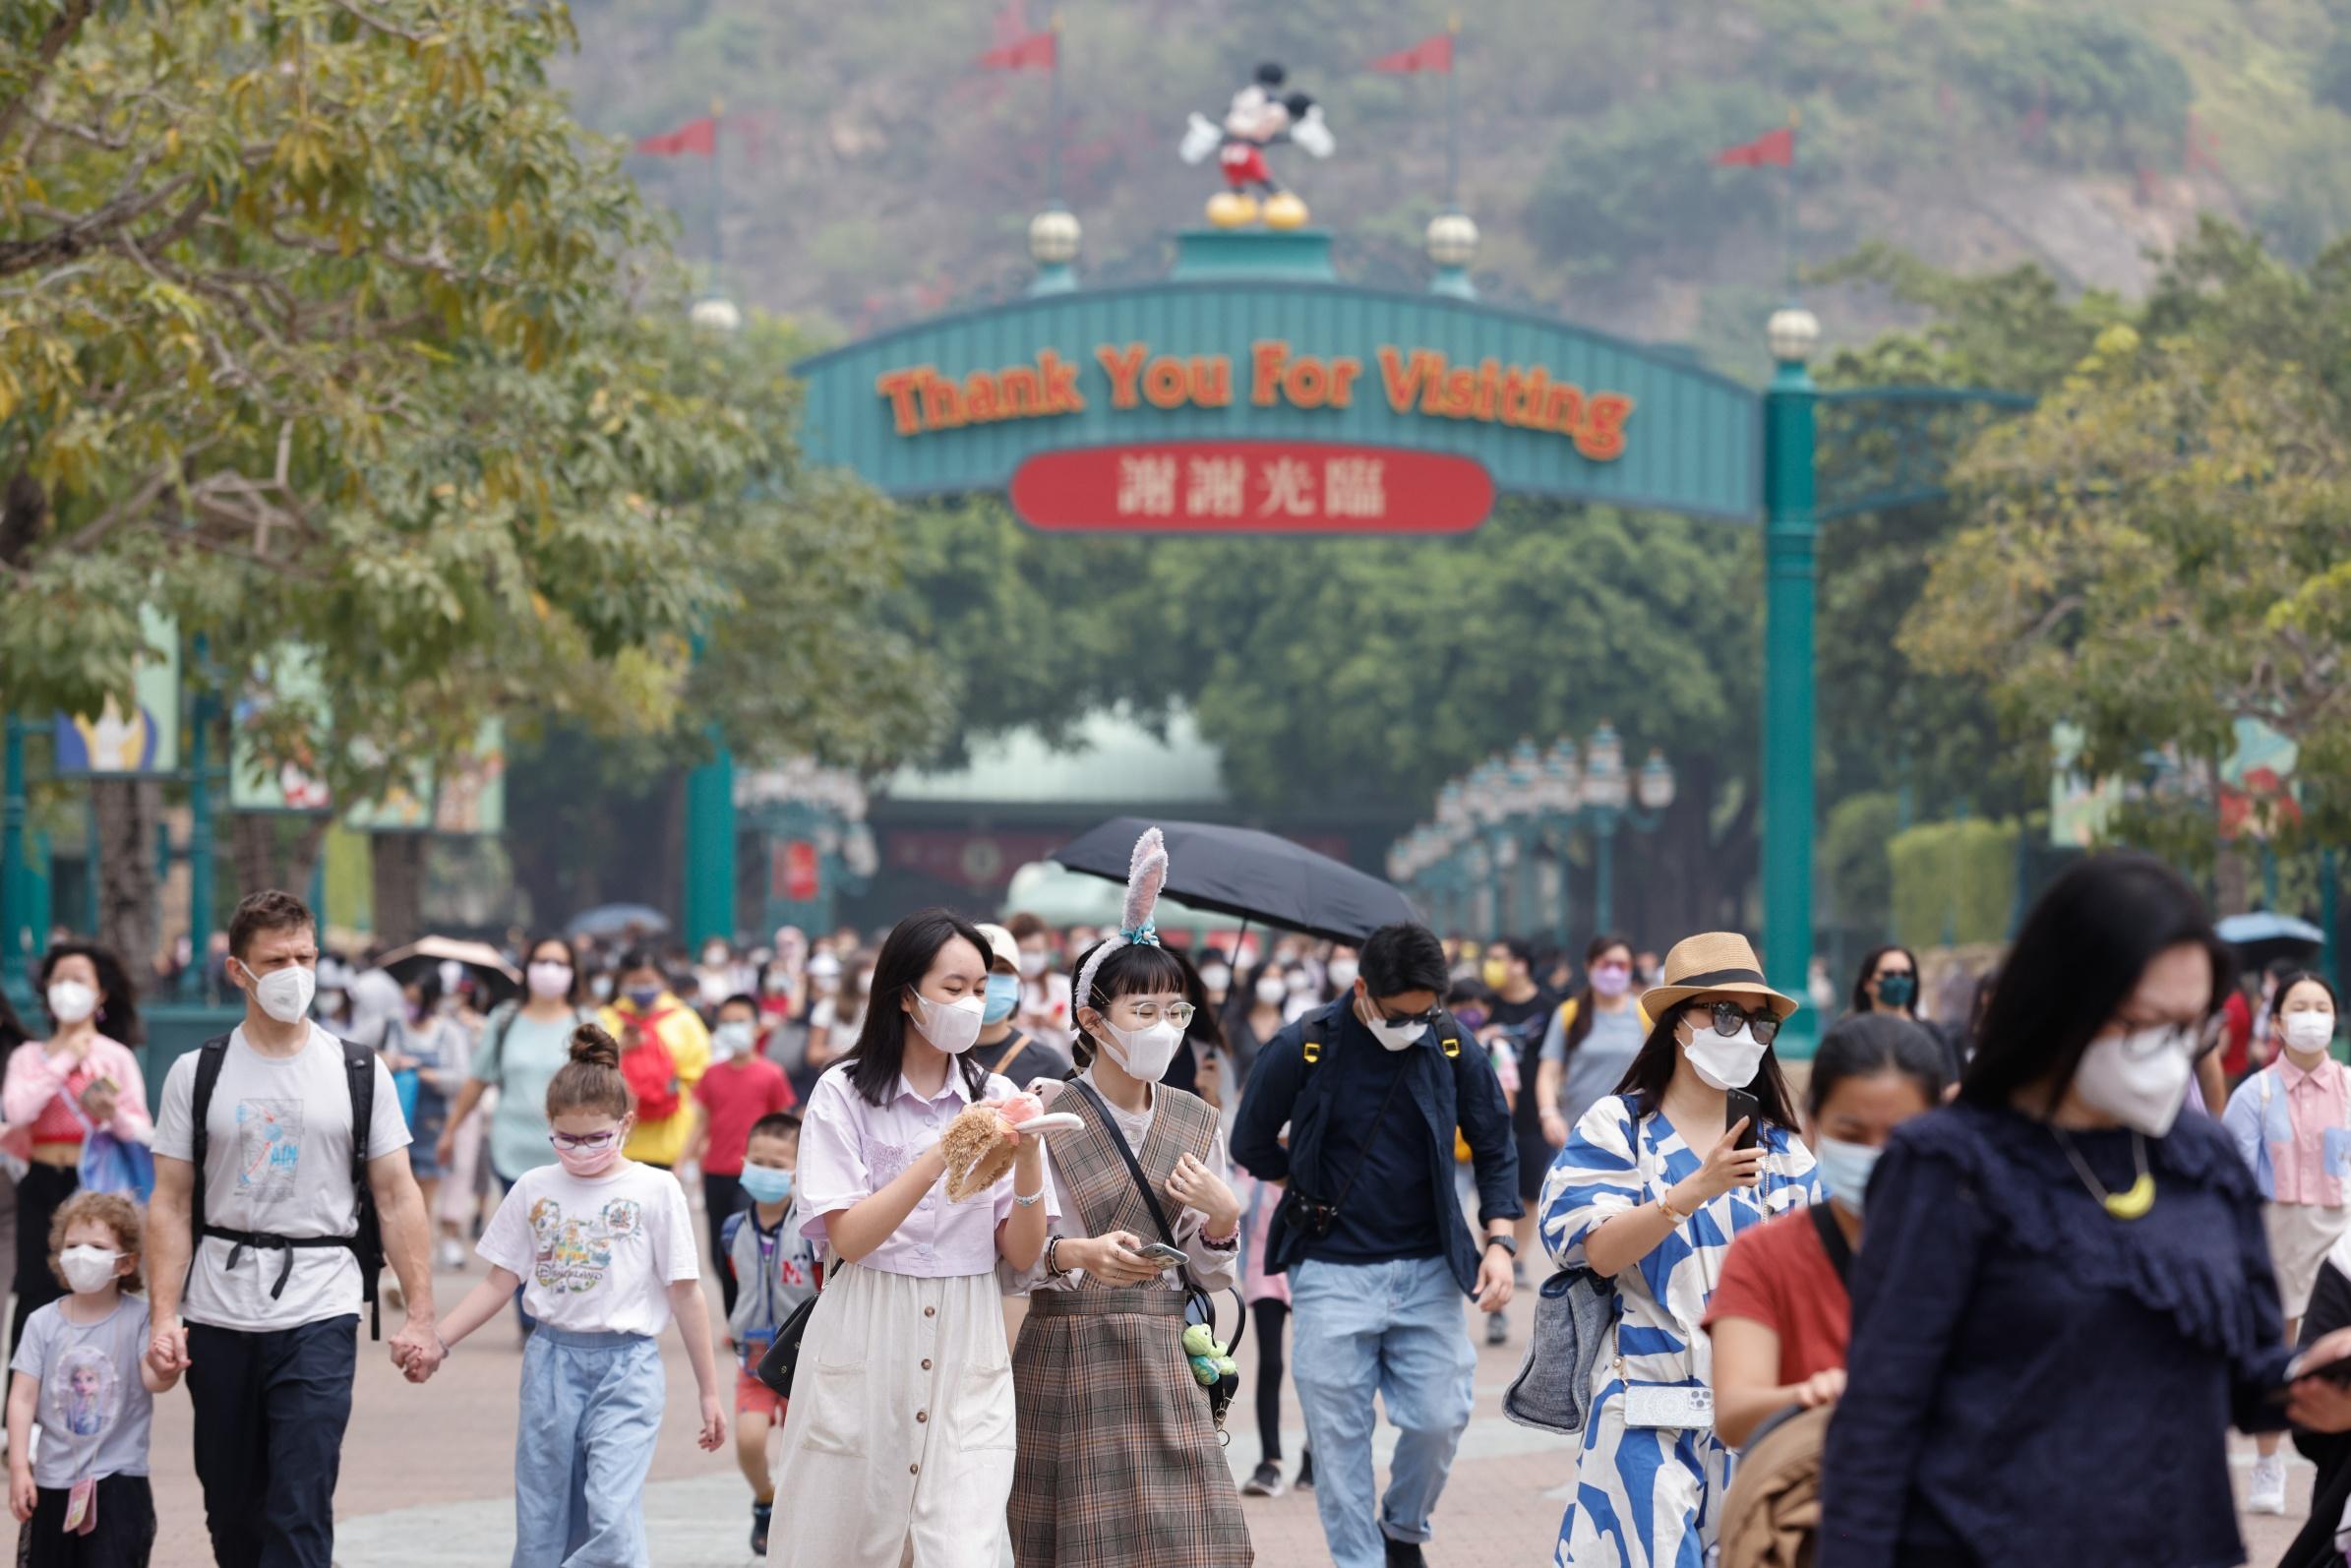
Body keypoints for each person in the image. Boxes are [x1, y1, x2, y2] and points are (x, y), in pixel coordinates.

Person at [1817, 853, 2351, 1568]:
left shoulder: (2201, 1161)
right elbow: (1880, 1415)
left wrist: (2311, 1381)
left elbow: (2244, 1380)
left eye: (2189, 1028)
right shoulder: (1951, 1165)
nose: (2167, 1053)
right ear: (2061, 1001)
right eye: (2142, 1023)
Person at [144, 888, 444, 1568]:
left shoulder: (357, 1070)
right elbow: (169, 1201)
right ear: (237, 971)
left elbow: (397, 1197)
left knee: (300, 1499)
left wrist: (421, 1315)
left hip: (322, 1301)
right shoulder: (198, 1074)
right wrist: (164, 1317)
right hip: (218, 1308)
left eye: (305, 957)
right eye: (275, 960)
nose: (295, 974)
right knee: (232, 1505)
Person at [767, 908, 1057, 1568]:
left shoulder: (1000, 1092)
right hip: (869, 1320)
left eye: (981, 989)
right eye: (954, 988)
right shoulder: (841, 1094)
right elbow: (852, 1237)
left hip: (968, 1327)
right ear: (905, 994)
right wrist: (942, 1153)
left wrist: (1030, 1156)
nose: (973, 1003)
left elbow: (1022, 1253)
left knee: (963, 1545)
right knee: (843, 1537)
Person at [1232, 922, 1518, 1568]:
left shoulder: (1448, 1042)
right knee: (1339, 1446)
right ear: (1362, 989)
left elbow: (1496, 1143)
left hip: (1430, 1270)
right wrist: (1304, 1181)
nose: (1412, 1026)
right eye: (1399, 1015)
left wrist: (1499, 1241)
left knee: (1439, 1418)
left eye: (1426, 1013)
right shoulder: (1303, 1045)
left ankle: (1404, 1528)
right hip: (1331, 1272)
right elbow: (1248, 1142)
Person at [1007, 833, 1250, 1567]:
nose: (1164, 1028)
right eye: (1143, 1010)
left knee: (1202, 1542)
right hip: (1067, 1347)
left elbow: (1211, 1278)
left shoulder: (1196, 1118)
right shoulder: (1044, 1111)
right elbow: (1016, 1260)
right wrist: (1073, 1254)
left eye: (1175, 1011)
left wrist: (1225, 1217)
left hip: (1163, 1350)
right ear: (1092, 1019)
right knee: (1077, 1545)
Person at [1541, 932, 1817, 1568]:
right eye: (1723, 1014)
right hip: (1646, 1404)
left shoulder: (1781, 1150)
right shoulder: (1618, 1127)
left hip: (1753, 1419)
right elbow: (1594, 1250)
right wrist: (1694, 1189)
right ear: (1677, 1024)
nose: (1742, 1032)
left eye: (1759, 1021)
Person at [434, 1024, 725, 1566]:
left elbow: (686, 1294)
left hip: (628, 1366)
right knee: (543, 1518)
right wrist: (438, 1340)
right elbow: (500, 1281)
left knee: (612, 1517)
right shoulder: (534, 1188)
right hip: (550, 1362)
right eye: (566, 1138)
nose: (580, 1149)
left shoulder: (655, 1190)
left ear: (626, 1125)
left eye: (596, 1137)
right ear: (549, 1127)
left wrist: (709, 1391)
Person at [1704, 1013, 1948, 1448]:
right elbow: (1734, 1413)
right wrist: (1810, 1396)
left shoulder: (1976, 1246)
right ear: (1814, 1122)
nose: (1876, 1154)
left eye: (1900, 1136)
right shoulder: (1764, 1257)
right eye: (1851, 1134)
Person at [2222, 969, 2346, 1514]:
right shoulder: (2255, 1093)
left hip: (2340, 1236)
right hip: (2275, 1235)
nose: (2313, 1017)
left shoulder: (2350, 1088)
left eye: (2323, 1006)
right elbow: (2230, 1178)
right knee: (2277, 1349)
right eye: (2301, 1006)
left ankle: (2337, 1461)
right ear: (2277, 1021)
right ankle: (2268, 1464)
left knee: (2339, 1351)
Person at [6, 1192, 175, 1566]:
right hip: (52, 1481)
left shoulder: (140, 1318)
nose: (82, 1254)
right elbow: (22, 1397)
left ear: (127, 1261)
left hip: (119, 1479)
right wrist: (20, 1467)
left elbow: (153, 1378)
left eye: (98, 1246)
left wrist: (166, 1369)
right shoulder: (42, 1322)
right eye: (72, 1245)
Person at [4, 944, 150, 1357]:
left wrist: (112, 1115)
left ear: (100, 992)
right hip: (40, 1181)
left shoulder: (115, 1057)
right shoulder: (29, 1056)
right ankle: (23, 1404)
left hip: (95, 1187)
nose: (67, 989)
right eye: (59, 979)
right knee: (34, 1290)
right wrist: (65, 1057)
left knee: (97, 1288)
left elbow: (141, 1128)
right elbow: (17, 1108)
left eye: (79, 979)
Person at [722, 1113, 815, 1559]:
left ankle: (801, 1520)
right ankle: (765, 1499)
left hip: (803, 1357)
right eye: (757, 1161)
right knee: (749, 1440)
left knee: (804, 1449)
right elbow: (733, 1282)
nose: (766, 1171)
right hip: (754, 1359)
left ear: (799, 1169)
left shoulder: (812, 1229)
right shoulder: (733, 1229)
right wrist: (733, 1325)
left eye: (778, 1164)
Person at [685, 995, 797, 1317]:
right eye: (727, 1021)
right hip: (716, 1171)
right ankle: (736, 1312)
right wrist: (682, 1163)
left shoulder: (771, 1074)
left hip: (756, 1175)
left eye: (741, 1021)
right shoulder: (711, 1074)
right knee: (718, 1253)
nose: (734, 1028)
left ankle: (755, 1315)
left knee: (745, 1246)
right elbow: (701, 1124)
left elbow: (785, 1126)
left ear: (756, 1025)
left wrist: (792, 1167)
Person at [380, 965, 470, 1274]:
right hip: (397, 1119)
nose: (411, 1006)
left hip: (432, 1122)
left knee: (423, 1198)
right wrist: (390, 1061)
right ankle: (395, 1263)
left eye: (417, 999)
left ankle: (419, 1261)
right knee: (394, 1195)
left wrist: (430, 1075)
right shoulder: (393, 1024)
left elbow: (461, 1077)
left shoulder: (449, 1032)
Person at [599, 947, 710, 1172]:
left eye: (648, 981)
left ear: (663, 980)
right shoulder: (606, 1018)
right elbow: (588, 1069)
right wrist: (619, 1048)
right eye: (635, 982)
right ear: (622, 982)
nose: (642, 988)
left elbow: (701, 1079)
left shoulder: (684, 1019)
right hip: (617, 1143)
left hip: (671, 1140)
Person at [1536, 935, 1647, 1152]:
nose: (1613, 972)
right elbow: (1548, 1072)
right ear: (1589, 966)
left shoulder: (1644, 1014)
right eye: (1606, 964)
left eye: (1621, 965)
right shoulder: (1569, 1012)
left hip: (1631, 1132)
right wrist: (1548, 1114)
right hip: (1577, 1131)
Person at [973, 924, 1071, 1089]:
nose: (990, 981)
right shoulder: (937, 1057)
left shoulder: (1048, 1067)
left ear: (1017, 980)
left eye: (1002, 971)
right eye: (984, 970)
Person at [1009, 913, 1074, 1052]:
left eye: (1036, 952)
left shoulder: (1063, 987)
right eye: (1024, 952)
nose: (1030, 959)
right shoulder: (1001, 988)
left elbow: (1083, 1037)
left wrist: (1059, 1025)